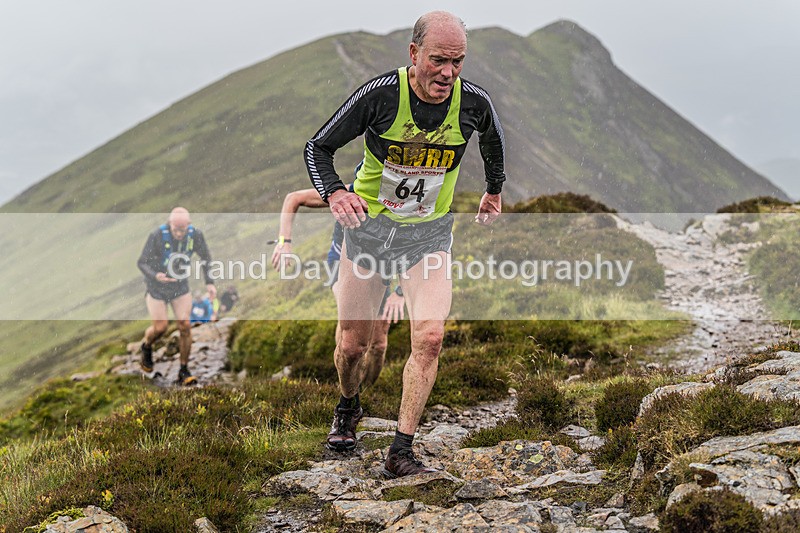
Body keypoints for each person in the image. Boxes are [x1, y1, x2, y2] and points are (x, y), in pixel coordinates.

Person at [304, 11, 505, 478]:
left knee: (430, 338)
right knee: (353, 347)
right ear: (414, 54)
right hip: (369, 235)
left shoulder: (473, 103)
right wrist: (336, 192)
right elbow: (318, 147)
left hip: (427, 237)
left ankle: (401, 447)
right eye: (438, 60)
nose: (448, 73)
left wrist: (494, 188)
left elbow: (493, 141)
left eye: (457, 62)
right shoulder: (380, 96)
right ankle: (348, 405)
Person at [271, 187, 405, 389]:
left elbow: (414, 247)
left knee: (378, 344)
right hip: (342, 262)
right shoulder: (350, 191)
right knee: (351, 324)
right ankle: (348, 392)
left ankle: (367, 391)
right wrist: (284, 242)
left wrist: (400, 292)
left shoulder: (404, 200)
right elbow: (293, 198)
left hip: (380, 268)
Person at [137, 207, 216, 385]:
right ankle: (146, 346)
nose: (180, 233)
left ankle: (183, 370)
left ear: (189, 225)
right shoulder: (157, 235)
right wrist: (156, 275)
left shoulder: (195, 235)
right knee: (160, 328)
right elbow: (142, 262)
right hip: (156, 287)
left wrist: (209, 283)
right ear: (170, 224)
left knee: (185, 325)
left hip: (180, 286)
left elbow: (206, 258)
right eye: (176, 230)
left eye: (183, 229)